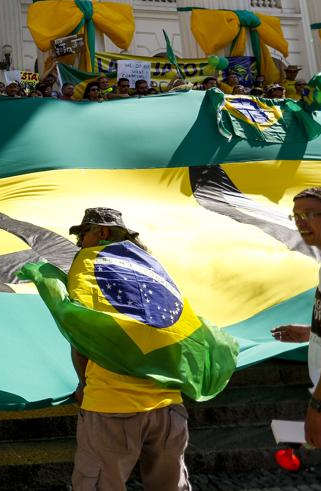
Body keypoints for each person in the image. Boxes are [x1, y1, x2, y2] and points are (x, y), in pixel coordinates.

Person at [67, 208, 189, 491]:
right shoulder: (152, 268)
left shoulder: (89, 265)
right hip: (168, 407)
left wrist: (84, 385)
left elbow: (82, 334)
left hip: (112, 406)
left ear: (102, 232)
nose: (80, 243)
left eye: (83, 234)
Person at [271, 187, 321, 488]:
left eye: (310, 214)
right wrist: (313, 332)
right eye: (296, 215)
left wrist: (319, 407)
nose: (301, 222)